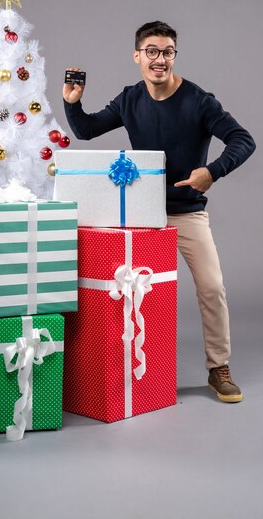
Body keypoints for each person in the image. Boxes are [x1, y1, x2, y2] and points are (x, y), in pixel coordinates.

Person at [62, 21, 256, 403]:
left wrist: (211, 172)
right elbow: (86, 130)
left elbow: (243, 140)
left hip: (187, 213)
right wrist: (73, 103)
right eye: (151, 51)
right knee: (125, 292)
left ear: (173, 57)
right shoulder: (130, 98)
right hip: (140, 211)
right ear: (137, 56)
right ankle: (127, 369)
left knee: (212, 287)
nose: (159, 59)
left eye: (167, 51)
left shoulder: (200, 101)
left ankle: (219, 366)